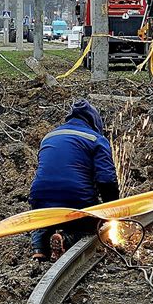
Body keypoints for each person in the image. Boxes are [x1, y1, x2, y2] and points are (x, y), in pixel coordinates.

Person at [29, 99, 119, 262]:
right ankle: (66, 239)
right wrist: (111, 209)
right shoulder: (96, 139)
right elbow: (106, 179)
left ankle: (39, 247)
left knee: (45, 217)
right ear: (94, 121)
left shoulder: (49, 136)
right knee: (89, 225)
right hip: (76, 197)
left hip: (39, 196)